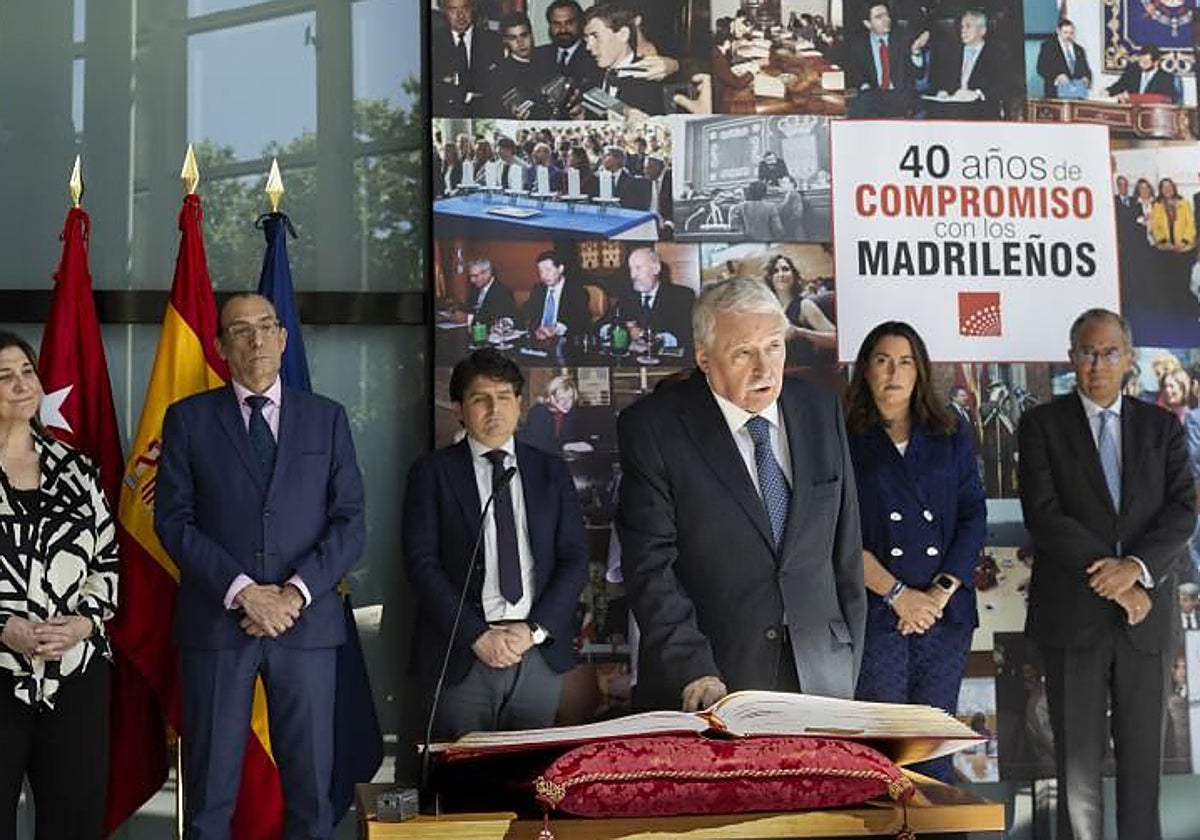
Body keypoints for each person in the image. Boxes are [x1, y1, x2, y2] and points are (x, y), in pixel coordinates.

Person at [156, 293, 366, 840]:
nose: (255, 339)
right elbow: (174, 523)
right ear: (221, 346)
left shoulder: (327, 419)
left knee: (312, 796)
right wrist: (246, 592)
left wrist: (293, 595)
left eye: (266, 327)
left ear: (283, 338)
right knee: (209, 797)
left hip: (307, 625)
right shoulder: (187, 420)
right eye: (240, 330)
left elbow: (350, 523)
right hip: (219, 626)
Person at [617, 279, 865, 712]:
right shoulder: (654, 428)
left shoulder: (821, 410)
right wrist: (694, 668)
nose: (764, 370)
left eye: (773, 346)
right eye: (743, 353)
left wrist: (846, 657)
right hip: (711, 679)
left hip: (821, 678)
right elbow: (650, 567)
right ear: (704, 359)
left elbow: (845, 552)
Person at [1018, 308, 1194, 840]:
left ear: (1128, 359)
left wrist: (1136, 574)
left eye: (1109, 352)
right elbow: (1045, 517)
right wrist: (1116, 581)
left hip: (1144, 620)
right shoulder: (1041, 425)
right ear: (1072, 359)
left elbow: (1183, 510)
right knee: (1079, 773)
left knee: (1143, 768)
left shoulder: (1162, 427)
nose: (1097, 363)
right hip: (1073, 620)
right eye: (1087, 353)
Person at [403, 350, 588, 737]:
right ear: (459, 408)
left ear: (520, 405)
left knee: (530, 786)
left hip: (536, 652)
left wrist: (534, 631)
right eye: (480, 398)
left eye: (504, 397)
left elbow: (574, 560)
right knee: (461, 786)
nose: (494, 409)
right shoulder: (433, 473)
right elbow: (422, 565)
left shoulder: (549, 471)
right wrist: (476, 635)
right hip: (462, 654)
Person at [844, 322, 986, 783]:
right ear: (865, 368)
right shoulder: (843, 436)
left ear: (920, 370)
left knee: (932, 752)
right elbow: (834, 531)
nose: (894, 372)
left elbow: (972, 515)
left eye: (905, 361)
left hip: (943, 618)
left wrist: (937, 596)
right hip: (876, 613)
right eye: (883, 360)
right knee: (881, 751)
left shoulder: (949, 431)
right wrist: (899, 595)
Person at [0, 331, 117, 840]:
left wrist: (85, 622)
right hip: (0, 668)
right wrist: (3, 627)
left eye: (27, 371)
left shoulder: (77, 467)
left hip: (77, 672)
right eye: (5, 376)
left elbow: (109, 559)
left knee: (73, 820)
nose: (21, 384)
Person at [583, 4, 668, 117]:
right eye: (586, 39)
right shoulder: (589, 74)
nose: (588, 46)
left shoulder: (650, 75)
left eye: (596, 36)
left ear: (623, 35)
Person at [847, 2, 929, 118]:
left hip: (901, 96)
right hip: (873, 96)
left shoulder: (903, 38)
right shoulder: (858, 45)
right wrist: (864, 85)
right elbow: (856, 74)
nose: (886, 20)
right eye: (879, 17)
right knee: (858, 106)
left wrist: (915, 52)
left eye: (886, 15)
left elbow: (919, 74)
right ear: (867, 24)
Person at [615, 246, 695, 357]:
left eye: (638, 268)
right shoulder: (627, 296)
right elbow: (604, 325)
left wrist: (649, 337)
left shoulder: (682, 296)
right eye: (631, 269)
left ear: (656, 269)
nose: (633, 275)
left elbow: (687, 335)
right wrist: (625, 331)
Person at [432, 0, 504, 117]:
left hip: (483, 113)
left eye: (465, 8)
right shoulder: (433, 42)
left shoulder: (493, 41)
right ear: (444, 11)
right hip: (443, 113)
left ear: (472, 9)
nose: (460, 15)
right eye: (453, 9)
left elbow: (497, 85)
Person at [930, 9, 1004, 119]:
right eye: (962, 27)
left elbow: (1006, 84)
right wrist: (943, 91)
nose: (963, 31)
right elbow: (940, 80)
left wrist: (978, 94)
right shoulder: (951, 51)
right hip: (952, 112)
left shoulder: (998, 53)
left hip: (982, 112)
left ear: (982, 30)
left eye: (968, 26)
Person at [521, 250, 593, 341]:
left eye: (548, 270)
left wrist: (556, 329)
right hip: (537, 339)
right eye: (540, 271)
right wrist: (507, 321)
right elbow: (525, 311)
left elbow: (582, 321)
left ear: (560, 269)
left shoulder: (576, 291)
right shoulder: (538, 289)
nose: (543, 275)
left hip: (563, 341)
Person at [535, 0, 600, 93]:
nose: (563, 29)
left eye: (569, 23)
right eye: (557, 24)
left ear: (580, 23)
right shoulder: (538, 55)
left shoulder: (594, 56)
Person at [519, 374, 583, 456]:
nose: (567, 404)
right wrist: (566, 446)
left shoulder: (570, 413)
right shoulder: (540, 412)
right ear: (551, 398)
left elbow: (568, 439)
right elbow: (541, 446)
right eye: (562, 399)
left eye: (570, 398)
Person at [1035, 18, 1091, 98]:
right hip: (1055, 95)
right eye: (1065, 33)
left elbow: (1086, 70)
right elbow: (1041, 68)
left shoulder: (1079, 49)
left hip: (1077, 95)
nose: (1068, 36)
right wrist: (1056, 76)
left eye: (1071, 33)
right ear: (1058, 31)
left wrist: (1086, 78)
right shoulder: (1048, 47)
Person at [1107, 45, 1177, 103]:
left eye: (1145, 62)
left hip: (1152, 114)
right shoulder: (1133, 71)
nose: (1141, 65)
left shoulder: (1165, 78)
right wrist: (1107, 92)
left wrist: (1131, 97)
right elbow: (1119, 86)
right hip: (1132, 112)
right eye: (1140, 61)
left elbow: (1165, 99)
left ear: (1156, 62)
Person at [465, 258, 518, 328]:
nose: (472, 280)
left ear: (487, 273)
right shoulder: (474, 290)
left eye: (475, 276)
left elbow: (496, 319)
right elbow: (471, 309)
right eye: (470, 276)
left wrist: (468, 318)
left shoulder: (502, 292)